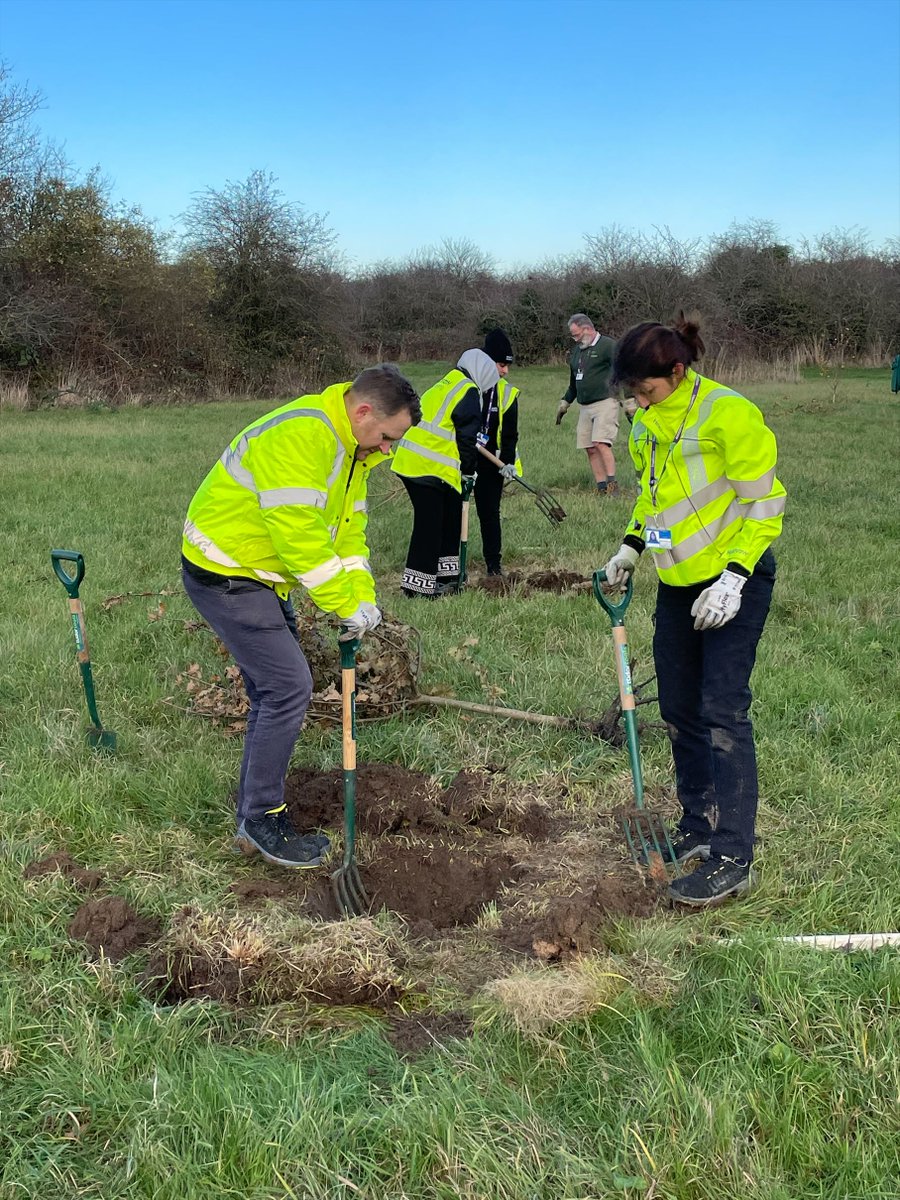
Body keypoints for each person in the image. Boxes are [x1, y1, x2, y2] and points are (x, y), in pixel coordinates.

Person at [181, 365, 421, 868]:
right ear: (363, 412)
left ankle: (253, 805)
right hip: (226, 570)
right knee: (287, 687)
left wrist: (363, 598)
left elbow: (348, 532)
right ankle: (261, 816)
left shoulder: (352, 450)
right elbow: (300, 539)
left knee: (274, 689)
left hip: (260, 574)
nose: (388, 450)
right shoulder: (303, 436)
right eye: (387, 436)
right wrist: (339, 602)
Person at [601, 314, 786, 907]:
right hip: (679, 584)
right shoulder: (645, 425)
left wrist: (734, 577)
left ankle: (734, 855)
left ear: (677, 370)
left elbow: (765, 505)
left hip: (736, 580)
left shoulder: (731, 414)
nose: (638, 399)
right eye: (631, 391)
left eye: (646, 388)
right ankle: (697, 826)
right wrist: (630, 548)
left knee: (722, 711)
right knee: (681, 708)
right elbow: (653, 499)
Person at [392, 348, 499, 595]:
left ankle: (447, 577)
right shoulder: (468, 392)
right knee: (429, 525)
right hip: (427, 466)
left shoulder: (449, 381)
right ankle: (417, 588)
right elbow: (467, 438)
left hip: (417, 461)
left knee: (450, 518)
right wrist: (469, 472)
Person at [556, 313, 622, 496]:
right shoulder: (577, 351)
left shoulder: (608, 346)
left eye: (576, 334)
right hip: (585, 406)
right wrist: (565, 402)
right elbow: (573, 383)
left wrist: (627, 397)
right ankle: (601, 487)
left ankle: (612, 485)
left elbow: (622, 371)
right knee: (589, 447)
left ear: (587, 329)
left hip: (605, 401)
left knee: (600, 442)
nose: (574, 338)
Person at [473, 328, 520, 576]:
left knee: (490, 513)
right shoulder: (468, 386)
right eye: (501, 364)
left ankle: (494, 566)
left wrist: (508, 463)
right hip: (463, 458)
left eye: (507, 366)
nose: (505, 371)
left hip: (492, 462)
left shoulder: (508, 394)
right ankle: (448, 565)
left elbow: (510, 435)